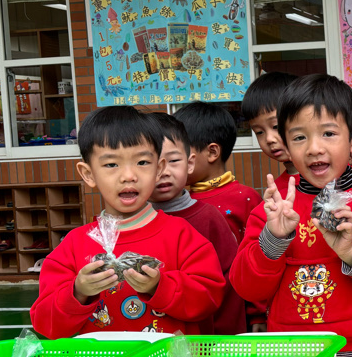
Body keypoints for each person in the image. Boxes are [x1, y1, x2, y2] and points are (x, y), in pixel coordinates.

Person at [230, 75, 352, 357]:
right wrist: (273, 239)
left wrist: (351, 253)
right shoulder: (276, 208)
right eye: (299, 137)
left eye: (328, 133)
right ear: (287, 147)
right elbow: (246, 287)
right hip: (290, 354)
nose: (314, 148)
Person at [31, 107, 225, 337]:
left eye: (142, 162)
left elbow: (210, 299)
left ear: (159, 169)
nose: (129, 176)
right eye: (111, 165)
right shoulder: (74, 245)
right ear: (88, 174)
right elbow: (45, 323)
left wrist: (160, 286)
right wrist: (78, 291)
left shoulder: (182, 235)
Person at [149, 112, 247, 334]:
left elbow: (230, 283)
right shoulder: (129, 223)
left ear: (190, 163)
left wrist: (225, 341)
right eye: (150, 163)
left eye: (173, 161)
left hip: (205, 342)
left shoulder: (208, 217)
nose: (164, 172)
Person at [176, 101, 260, 243]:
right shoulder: (180, 200)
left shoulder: (247, 198)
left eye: (178, 154)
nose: (171, 163)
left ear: (212, 152)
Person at [242, 71, 299, 192]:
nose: (269, 139)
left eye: (275, 126)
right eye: (259, 132)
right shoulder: (275, 191)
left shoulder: (337, 178)